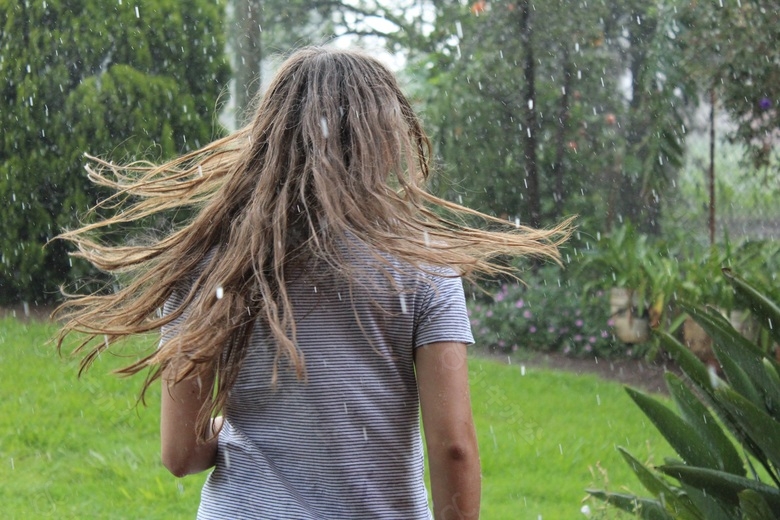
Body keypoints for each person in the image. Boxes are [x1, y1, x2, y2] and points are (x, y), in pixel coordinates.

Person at [55, 46, 572, 519]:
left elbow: (180, 454)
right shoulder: (423, 264)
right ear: (385, 139)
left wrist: (259, 438)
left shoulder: (211, 260)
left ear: (270, 136)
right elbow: (453, 445)